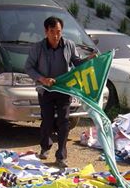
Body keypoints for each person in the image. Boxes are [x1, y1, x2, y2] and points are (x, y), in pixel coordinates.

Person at [25, 16, 87, 169]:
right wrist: (42, 79)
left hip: (63, 89)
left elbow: (76, 62)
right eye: (52, 32)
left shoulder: (69, 45)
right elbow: (28, 67)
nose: (56, 35)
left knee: (64, 122)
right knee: (47, 120)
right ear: (46, 31)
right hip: (45, 89)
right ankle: (45, 147)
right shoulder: (37, 48)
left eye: (58, 32)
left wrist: (89, 60)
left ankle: (61, 156)